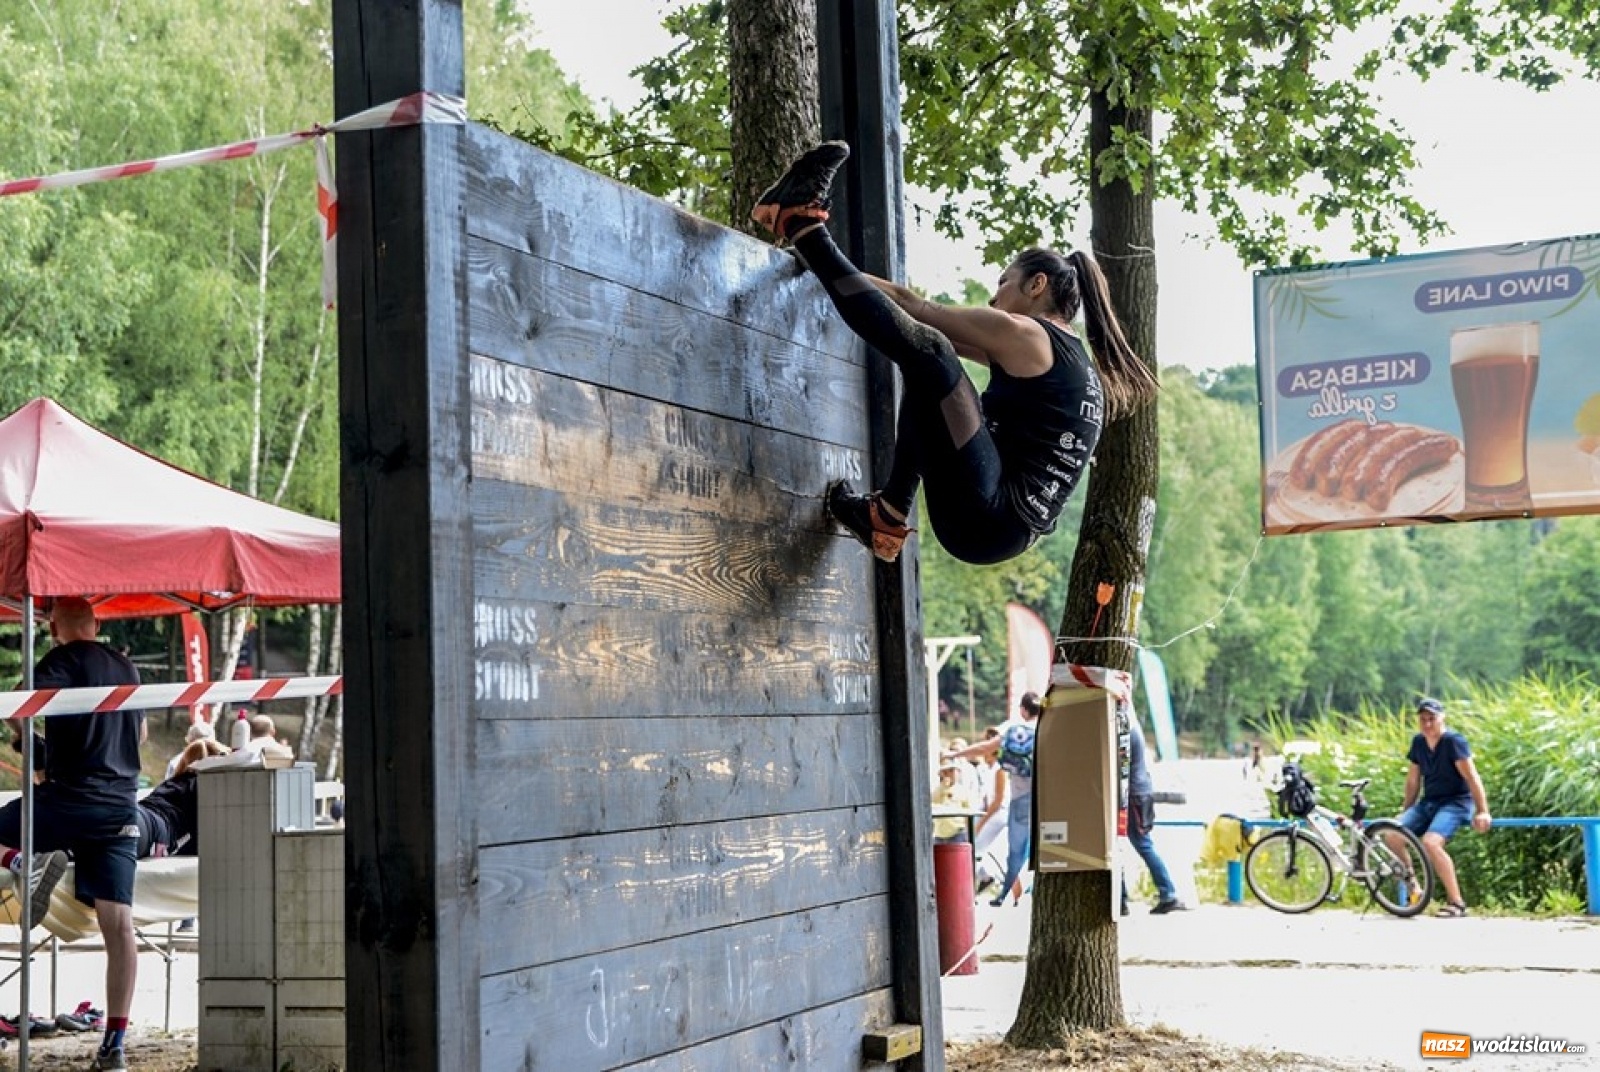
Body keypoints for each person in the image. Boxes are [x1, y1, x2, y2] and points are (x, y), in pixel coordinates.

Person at [750, 142, 1158, 565]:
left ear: (1036, 285)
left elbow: (919, 312)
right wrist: (827, 267)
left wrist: (820, 251)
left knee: (931, 351)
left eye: (1005, 282)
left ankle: (801, 220)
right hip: (998, 528)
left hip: (989, 514)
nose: (995, 298)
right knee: (926, 361)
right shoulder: (1067, 360)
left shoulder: (1026, 336)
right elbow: (910, 325)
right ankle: (885, 516)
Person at [0, 597, 143, 1071]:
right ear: (97, 622)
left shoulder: (61, 658)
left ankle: (23, 861)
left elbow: (20, 704)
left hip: (70, 801)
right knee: (119, 926)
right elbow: (139, 736)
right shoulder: (126, 664)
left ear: (53, 626)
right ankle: (114, 1046)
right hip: (121, 808)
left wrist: (31, 746)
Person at [1394, 697, 1491, 917]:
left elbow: (1472, 777)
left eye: (1432, 719)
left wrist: (1482, 810)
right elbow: (1413, 780)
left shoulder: (1453, 741)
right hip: (1430, 801)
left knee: (1431, 843)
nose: (1427, 724)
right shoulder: (1419, 742)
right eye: (1423, 719)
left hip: (1456, 802)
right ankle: (1414, 890)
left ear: (1442, 718)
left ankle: (1456, 902)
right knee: (1392, 833)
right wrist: (1406, 810)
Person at [945, 692, 1041, 907]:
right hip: (1044, 799)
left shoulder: (1015, 731)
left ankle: (1005, 894)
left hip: (1020, 798)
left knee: (1015, 850)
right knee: (1042, 849)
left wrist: (955, 756)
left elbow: (985, 748)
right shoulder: (1047, 730)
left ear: (1023, 710)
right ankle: (1030, 892)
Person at [1123, 709, 1183, 915]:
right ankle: (1120, 896)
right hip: (1138, 792)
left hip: (1133, 795)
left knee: (1141, 844)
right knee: (1122, 843)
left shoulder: (1124, 728)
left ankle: (1168, 893)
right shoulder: (1132, 724)